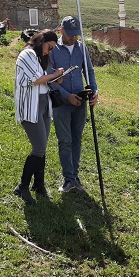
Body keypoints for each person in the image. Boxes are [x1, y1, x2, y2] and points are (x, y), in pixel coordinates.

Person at [47, 16, 99, 193]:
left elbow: (89, 72)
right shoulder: (53, 49)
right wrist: (66, 96)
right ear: (61, 30)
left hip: (80, 101)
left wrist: (95, 90)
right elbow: (50, 78)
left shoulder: (81, 48)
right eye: (70, 34)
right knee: (65, 141)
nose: (73, 38)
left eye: (76, 35)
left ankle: (75, 177)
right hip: (61, 102)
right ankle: (68, 179)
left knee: (77, 139)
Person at [13, 30, 64, 205]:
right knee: (39, 147)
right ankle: (22, 187)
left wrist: (53, 79)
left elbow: (42, 79)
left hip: (42, 104)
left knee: (42, 147)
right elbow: (35, 80)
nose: (48, 52)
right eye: (49, 47)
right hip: (30, 106)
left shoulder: (38, 57)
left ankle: (39, 185)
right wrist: (55, 75)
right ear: (42, 41)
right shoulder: (27, 53)